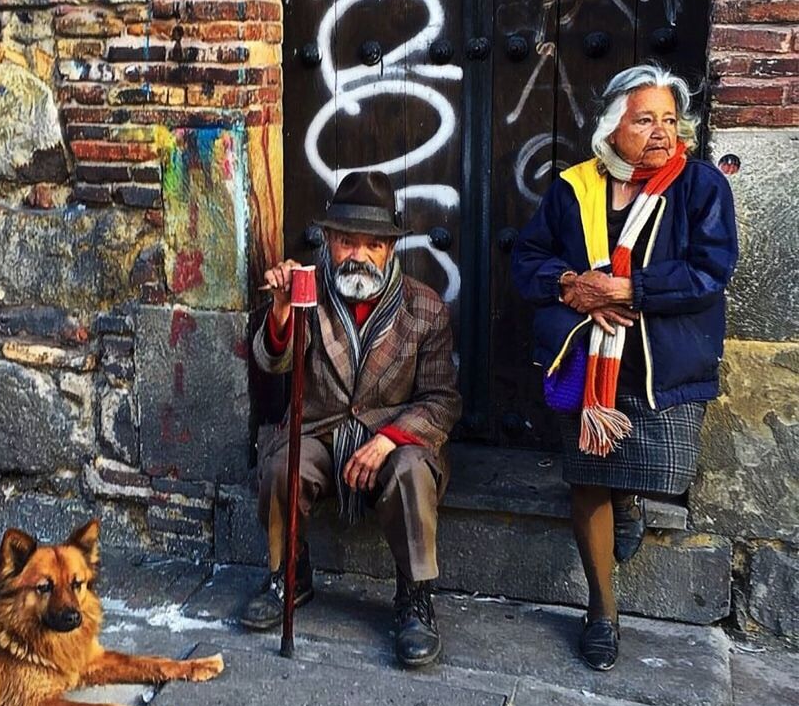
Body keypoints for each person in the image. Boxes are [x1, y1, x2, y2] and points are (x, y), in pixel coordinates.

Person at [512, 63, 739, 671]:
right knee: (587, 478)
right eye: (645, 120)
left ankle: (630, 498)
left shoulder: (699, 188)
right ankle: (601, 611)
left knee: (647, 470)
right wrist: (570, 285)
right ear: (613, 128)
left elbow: (709, 271)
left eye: (670, 118)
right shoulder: (573, 187)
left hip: (659, 369)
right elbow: (529, 259)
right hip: (588, 365)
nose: (662, 132)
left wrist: (627, 288)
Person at [243, 170, 462, 668]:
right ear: (328, 241)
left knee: (411, 469)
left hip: (392, 435)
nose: (358, 255)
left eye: (373, 244)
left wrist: (389, 440)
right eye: (346, 242)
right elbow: (274, 362)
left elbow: (442, 401)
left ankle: (414, 598)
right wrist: (279, 313)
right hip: (318, 428)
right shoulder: (306, 289)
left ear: (390, 250)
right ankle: (288, 576)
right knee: (282, 465)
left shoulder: (423, 307)